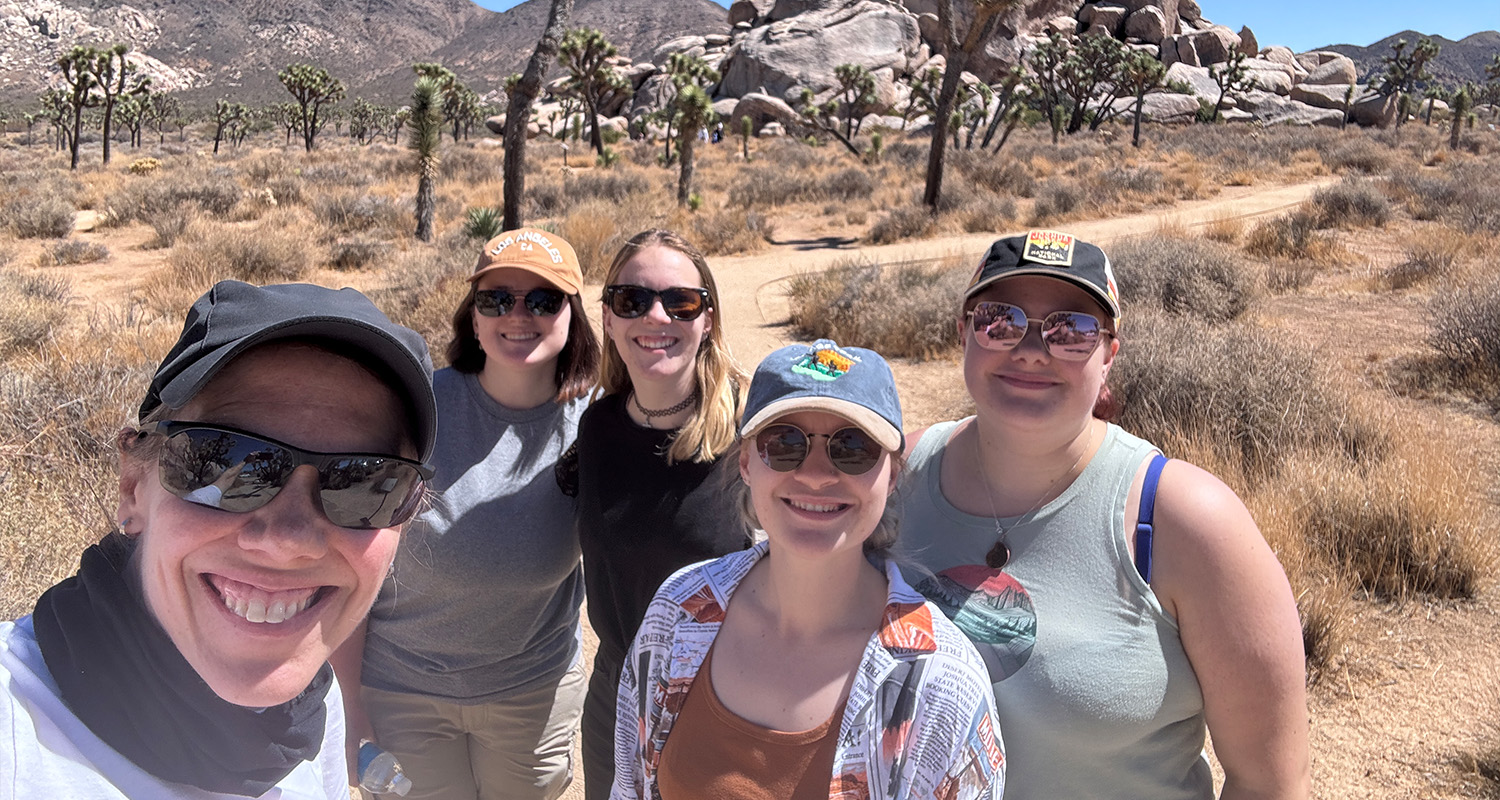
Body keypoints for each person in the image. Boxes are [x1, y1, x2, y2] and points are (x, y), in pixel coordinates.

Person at [898, 230, 1310, 799]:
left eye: (1073, 330)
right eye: (1000, 319)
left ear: (1109, 353)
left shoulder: (1185, 522)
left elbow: (1270, 784)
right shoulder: (894, 479)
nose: (1032, 348)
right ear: (963, 331)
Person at [0, 280, 438, 799]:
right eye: (225, 463)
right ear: (133, 486)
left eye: (366, 483)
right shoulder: (17, 731)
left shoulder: (311, 709)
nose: (289, 541)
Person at [613, 339, 1005, 800]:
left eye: (853, 447)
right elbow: (630, 786)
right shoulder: (680, 610)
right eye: (784, 444)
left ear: (892, 474)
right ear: (745, 462)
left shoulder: (939, 683)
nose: (817, 474)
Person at [334, 229, 600, 800]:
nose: (518, 315)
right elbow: (350, 557)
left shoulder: (597, 426)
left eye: (544, 300)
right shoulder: (416, 413)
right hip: (402, 689)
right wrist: (350, 705)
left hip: (532, 692)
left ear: (573, 315)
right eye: (496, 299)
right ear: (474, 318)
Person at [568, 229, 750, 799]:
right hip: (617, 690)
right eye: (632, 300)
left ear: (708, 319)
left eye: (681, 301)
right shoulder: (597, 428)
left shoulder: (754, 432)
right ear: (609, 318)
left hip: (728, 694)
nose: (656, 316)